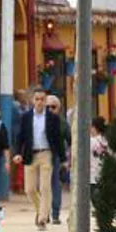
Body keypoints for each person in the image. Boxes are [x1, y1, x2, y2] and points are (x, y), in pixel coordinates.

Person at [13, 88, 65, 230]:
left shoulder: (53, 118)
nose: (40, 102)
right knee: (29, 189)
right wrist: (18, 153)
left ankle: (42, 219)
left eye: (42, 99)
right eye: (37, 99)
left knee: (45, 186)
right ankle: (41, 210)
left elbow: (58, 139)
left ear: (46, 100)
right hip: (30, 154)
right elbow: (20, 136)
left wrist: (63, 158)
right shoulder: (26, 117)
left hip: (46, 154)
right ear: (33, 100)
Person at [46, 94, 71, 224]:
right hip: (41, 155)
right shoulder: (39, 120)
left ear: (58, 108)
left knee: (55, 184)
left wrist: (66, 160)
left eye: (53, 107)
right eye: (47, 107)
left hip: (56, 156)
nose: (50, 109)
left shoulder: (62, 122)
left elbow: (70, 140)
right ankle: (44, 213)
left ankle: (55, 214)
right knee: (42, 186)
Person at [89, 116, 109, 195]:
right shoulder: (106, 140)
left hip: (93, 176)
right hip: (105, 175)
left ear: (94, 127)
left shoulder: (91, 141)